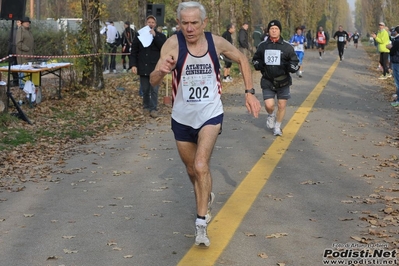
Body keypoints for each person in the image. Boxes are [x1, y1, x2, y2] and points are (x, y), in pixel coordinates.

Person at [149, 1, 261, 247]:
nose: (190, 28)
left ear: (204, 23)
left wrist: (249, 91)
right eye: (185, 23)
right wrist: (162, 71)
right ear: (179, 24)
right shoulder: (172, 44)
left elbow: (242, 59)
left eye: (194, 23)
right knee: (193, 171)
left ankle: (201, 223)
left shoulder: (215, 42)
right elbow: (153, 80)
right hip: (182, 117)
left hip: (210, 113)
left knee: (201, 165)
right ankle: (205, 194)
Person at [252, 20, 299, 136]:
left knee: (281, 105)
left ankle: (277, 127)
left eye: (276, 29)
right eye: (271, 29)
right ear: (268, 31)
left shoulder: (287, 46)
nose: (273, 31)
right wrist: (258, 64)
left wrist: (292, 67)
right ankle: (271, 114)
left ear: (279, 31)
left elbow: (295, 61)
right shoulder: (263, 46)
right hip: (268, 80)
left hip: (283, 81)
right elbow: (255, 59)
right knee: (269, 105)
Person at [130, 15, 166, 118]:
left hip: (155, 68)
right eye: (149, 22)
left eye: (152, 22)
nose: (150, 24)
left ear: (155, 24)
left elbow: (163, 47)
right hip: (143, 67)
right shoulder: (139, 36)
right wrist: (133, 65)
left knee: (154, 90)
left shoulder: (160, 36)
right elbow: (134, 51)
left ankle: (153, 109)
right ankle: (146, 106)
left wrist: (155, 36)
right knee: (145, 89)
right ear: (146, 23)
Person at [16, 17, 34, 90]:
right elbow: (18, 43)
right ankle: (22, 86)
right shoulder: (20, 30)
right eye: (26, 22)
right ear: (22, 23)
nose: (27, 23)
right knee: (22, 71)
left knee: (28, 72)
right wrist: (27, 49)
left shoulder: (28, 31)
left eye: (28, 22)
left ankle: (28, 86)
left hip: (29, 55)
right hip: (22, 56)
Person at [387, 26, 399, 106]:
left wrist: (390, 47)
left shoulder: (397, 40)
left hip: (397, 61)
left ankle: (398, 100)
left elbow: (393, 52)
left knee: (397, 82)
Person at [8, 20, 21, 86]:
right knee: (14, 67)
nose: (19, 23)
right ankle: (15, 81)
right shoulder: (13, 30)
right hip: (13, 51)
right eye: (18, 22)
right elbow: (10, 40)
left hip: (21, 53)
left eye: (20, 22)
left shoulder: (24, 31)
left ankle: (22, 81)